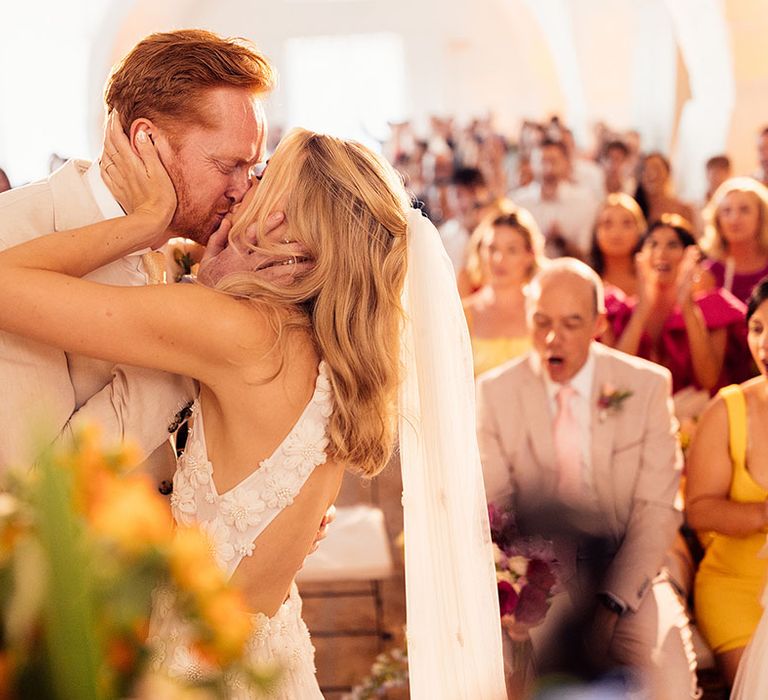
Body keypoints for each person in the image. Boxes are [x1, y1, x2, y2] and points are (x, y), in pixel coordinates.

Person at [0, 120, 507, 697]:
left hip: (197, 675)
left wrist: (144, 224)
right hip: (273, 663)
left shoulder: (235, 330)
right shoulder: (338, 352)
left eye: (261, 176)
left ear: (282, 220)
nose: (242, 190)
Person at [0, 29, 274, 475]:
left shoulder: (191, 251)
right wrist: (195, 327)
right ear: (147, 140)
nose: (243, 190)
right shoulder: (11, 238)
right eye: (229, 166)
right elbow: (44, 482)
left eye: (253, 166)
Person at [476, 258, 699, 699]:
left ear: (598, 323)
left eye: (571, 324)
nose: (552, 338)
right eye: (541, 322)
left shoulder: (645, 385)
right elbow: (495, 503)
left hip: (629, 576)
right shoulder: (494, 392)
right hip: (537, 579)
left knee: (668, 682)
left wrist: (611, 601)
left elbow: (657, 508)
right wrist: (531, 589)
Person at [687, 277, 768, 689]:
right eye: (757, 328)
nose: (765, 343)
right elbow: (699, 508)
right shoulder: (729, 408)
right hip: (737, 589)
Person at [610, 214, 746, 394]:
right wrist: (642, 311)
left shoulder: (712, 309)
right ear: (640, 256)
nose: (661, 253)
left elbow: (709, 380)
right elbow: (613, 378)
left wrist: (688, 307)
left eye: (672, 245)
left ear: (691, 255)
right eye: (653, 244)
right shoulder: (620, 312)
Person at [461, 201, 544, 376]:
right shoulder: (462, 314)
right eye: (492, 248)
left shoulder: (544, 312)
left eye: (512, 250)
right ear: (480, 251)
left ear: (530, 255)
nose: (499, 259)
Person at [511, 139, 599, 259]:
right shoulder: (518, 202)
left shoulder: (584, 200)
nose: (548, 168)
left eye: (553, 161)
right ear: (531, 165)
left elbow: (588, 253)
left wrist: (561, 242)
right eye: (542, 161)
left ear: (566, 163)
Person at [700, 176, 768, 305]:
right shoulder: (709, 273)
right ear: (717, 221)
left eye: (744, 210)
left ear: (761, 217)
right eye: (726, 211)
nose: (734, 219)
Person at [589, 192, 646, 298]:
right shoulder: (586, 281)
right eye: (607, 224)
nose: (616, 233)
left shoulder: (652, 281)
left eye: (626, 224)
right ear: (596, 231)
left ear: (639, 230)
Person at [634, 152, 694, 228]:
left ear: (668, 173)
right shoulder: (634, 208)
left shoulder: (683, 209)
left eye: (657, 169)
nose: (652, 175)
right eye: (646, 170)